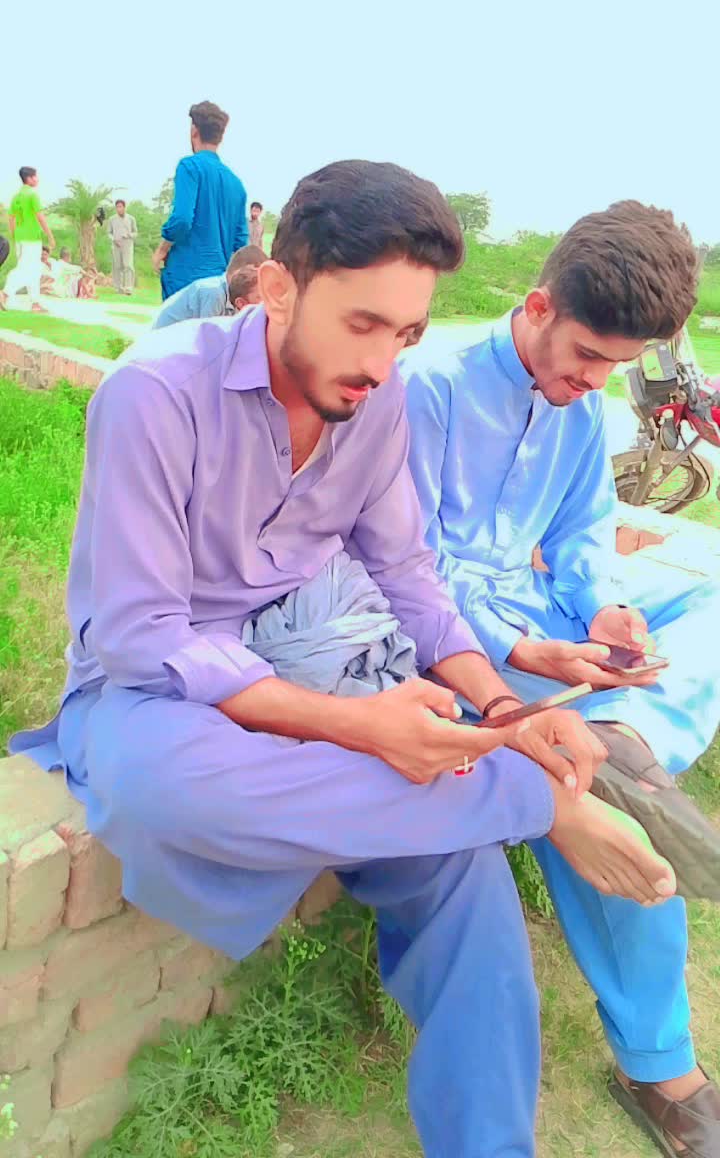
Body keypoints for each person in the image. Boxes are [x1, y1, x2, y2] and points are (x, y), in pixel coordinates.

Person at [10, 163, 676, 1158]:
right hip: (160, 695)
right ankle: (533, 801)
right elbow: (141, 634)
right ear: (281, 289)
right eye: (362, 323)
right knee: (157, 780)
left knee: (463, 875)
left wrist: (504, 709)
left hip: (322, 653)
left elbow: (406, 572)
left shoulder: (380, 400)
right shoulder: (154, 393)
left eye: (406, 333)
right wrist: (363, 727)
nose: (380, 360)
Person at [401, 200, 720, 1158]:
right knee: (605, 802)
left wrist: (603, 610)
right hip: (450, 637)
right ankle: (661, 1067)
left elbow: (582, 533)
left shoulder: (582, 405)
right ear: (538, 306)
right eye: (586, 355)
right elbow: (406, 567)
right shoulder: (431, 389)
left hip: (538, 616)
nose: (594, 381)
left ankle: (628, 741)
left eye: (617, 366)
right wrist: (523, 649)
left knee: (704, 602)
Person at [152, 101, 248, 299]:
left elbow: (182, 218)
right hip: (218, 284)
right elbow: (241, 243)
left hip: (185, 279)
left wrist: (162, 250)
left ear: (194, 131)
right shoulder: (237, 185)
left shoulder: (189, 167)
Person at [152, 245, 266, 329]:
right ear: (240, 273)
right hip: (167, 341)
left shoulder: (232, 296)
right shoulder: (214, 292)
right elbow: (208, 340)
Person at [3, 167, 54, 312]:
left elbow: (11, 218)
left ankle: (35, 303)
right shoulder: (32, 195)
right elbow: (40, 217)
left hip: (20, 238)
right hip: (31, 238)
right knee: (25, 269)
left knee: (34, 271)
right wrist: (50, 236)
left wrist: (15, 236)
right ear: (29, 178)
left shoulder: (16, 196)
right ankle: (5, 293)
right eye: (35, 176)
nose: (37, 179)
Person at [107, 200, 138, 295]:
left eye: (120, 207)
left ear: (124, 207)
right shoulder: (112, 219)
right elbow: (109, 232)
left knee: (128, 265)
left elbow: (135, 232)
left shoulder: (131, 219)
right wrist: (113, 239)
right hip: (116, 244)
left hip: (127, 244)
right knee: (117, 266)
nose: (119, 209)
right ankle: (118, 288)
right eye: (117, 207)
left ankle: (128, 288)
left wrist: (129, 235)